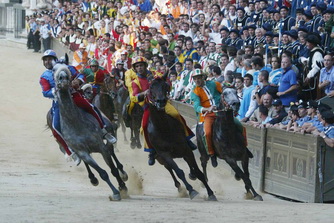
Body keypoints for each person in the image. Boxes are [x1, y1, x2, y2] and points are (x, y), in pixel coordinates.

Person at [40, 50, 117, 166]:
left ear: (55, 59)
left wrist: (78, 80)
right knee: (55, 127)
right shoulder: (44, 76)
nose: (47, 62)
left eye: (49, 59)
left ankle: (104, 132)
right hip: (58, 102)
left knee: (91, 107)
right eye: (45, 60)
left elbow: (80, 75)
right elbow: (45, 92)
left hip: (73, 95)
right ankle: (69, 151)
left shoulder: (66, 67)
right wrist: (56, 90)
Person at [130, 57, 196, 166]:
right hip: (149, 106)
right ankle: (151, 151)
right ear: (135, 69)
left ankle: (187, 138)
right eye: (137, 66)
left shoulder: (155, 74)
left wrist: (166, 81)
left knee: (176, 114)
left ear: (145, 66)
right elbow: (134, 97)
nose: (139, 68)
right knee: (144, 126)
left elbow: (167, 82)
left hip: (164, 103)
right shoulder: (135, 82)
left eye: (141, 65)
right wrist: (143, 93)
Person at [190, 69, 222, 167]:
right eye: (195, 79)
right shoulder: (194, 91)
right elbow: (196, 106)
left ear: (203, 77)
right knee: (207, 132)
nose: (197, 81)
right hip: (208, 114)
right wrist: (207, 109)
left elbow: (221, 93)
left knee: (237, 124)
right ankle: (212, 154)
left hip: (220, 111)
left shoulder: (214, 84)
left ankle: (244, 148)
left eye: (199, 78)